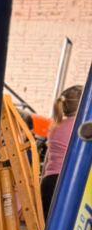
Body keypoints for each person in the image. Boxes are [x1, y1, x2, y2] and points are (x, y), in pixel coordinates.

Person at [42, 84, 82, 220]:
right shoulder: (80, 127)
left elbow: (47, 160)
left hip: (49, 183)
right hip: (67, 183)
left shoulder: (55, 126)